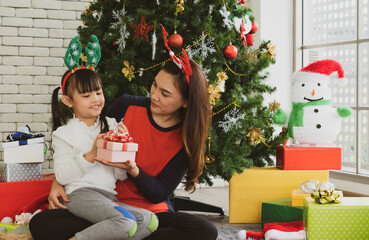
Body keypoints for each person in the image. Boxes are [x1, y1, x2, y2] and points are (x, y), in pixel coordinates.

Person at [30, 36, 218, 240]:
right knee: (41, 223)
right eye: (154, 85)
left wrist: (133, 170)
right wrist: (58, 182)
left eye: (165, 94)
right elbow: (88, 139)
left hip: (150, 212)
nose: (154, 95)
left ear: (186, 102)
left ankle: (111, 234)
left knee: (205, 231)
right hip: (103, 204)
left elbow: (158, 193)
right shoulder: (127, 106)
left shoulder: (185, 139)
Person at [34, 35, 158, 240]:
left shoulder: (112, 125)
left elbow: (119, 176)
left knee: (150, 221)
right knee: (126, 223)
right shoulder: (64, 133)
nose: (96, 99)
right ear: (68, 100)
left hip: (107, 194)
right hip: (79, 194)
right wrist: (91, 154)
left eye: (98, 93)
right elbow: (63, 177)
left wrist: (123, 159)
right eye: (86, 95)